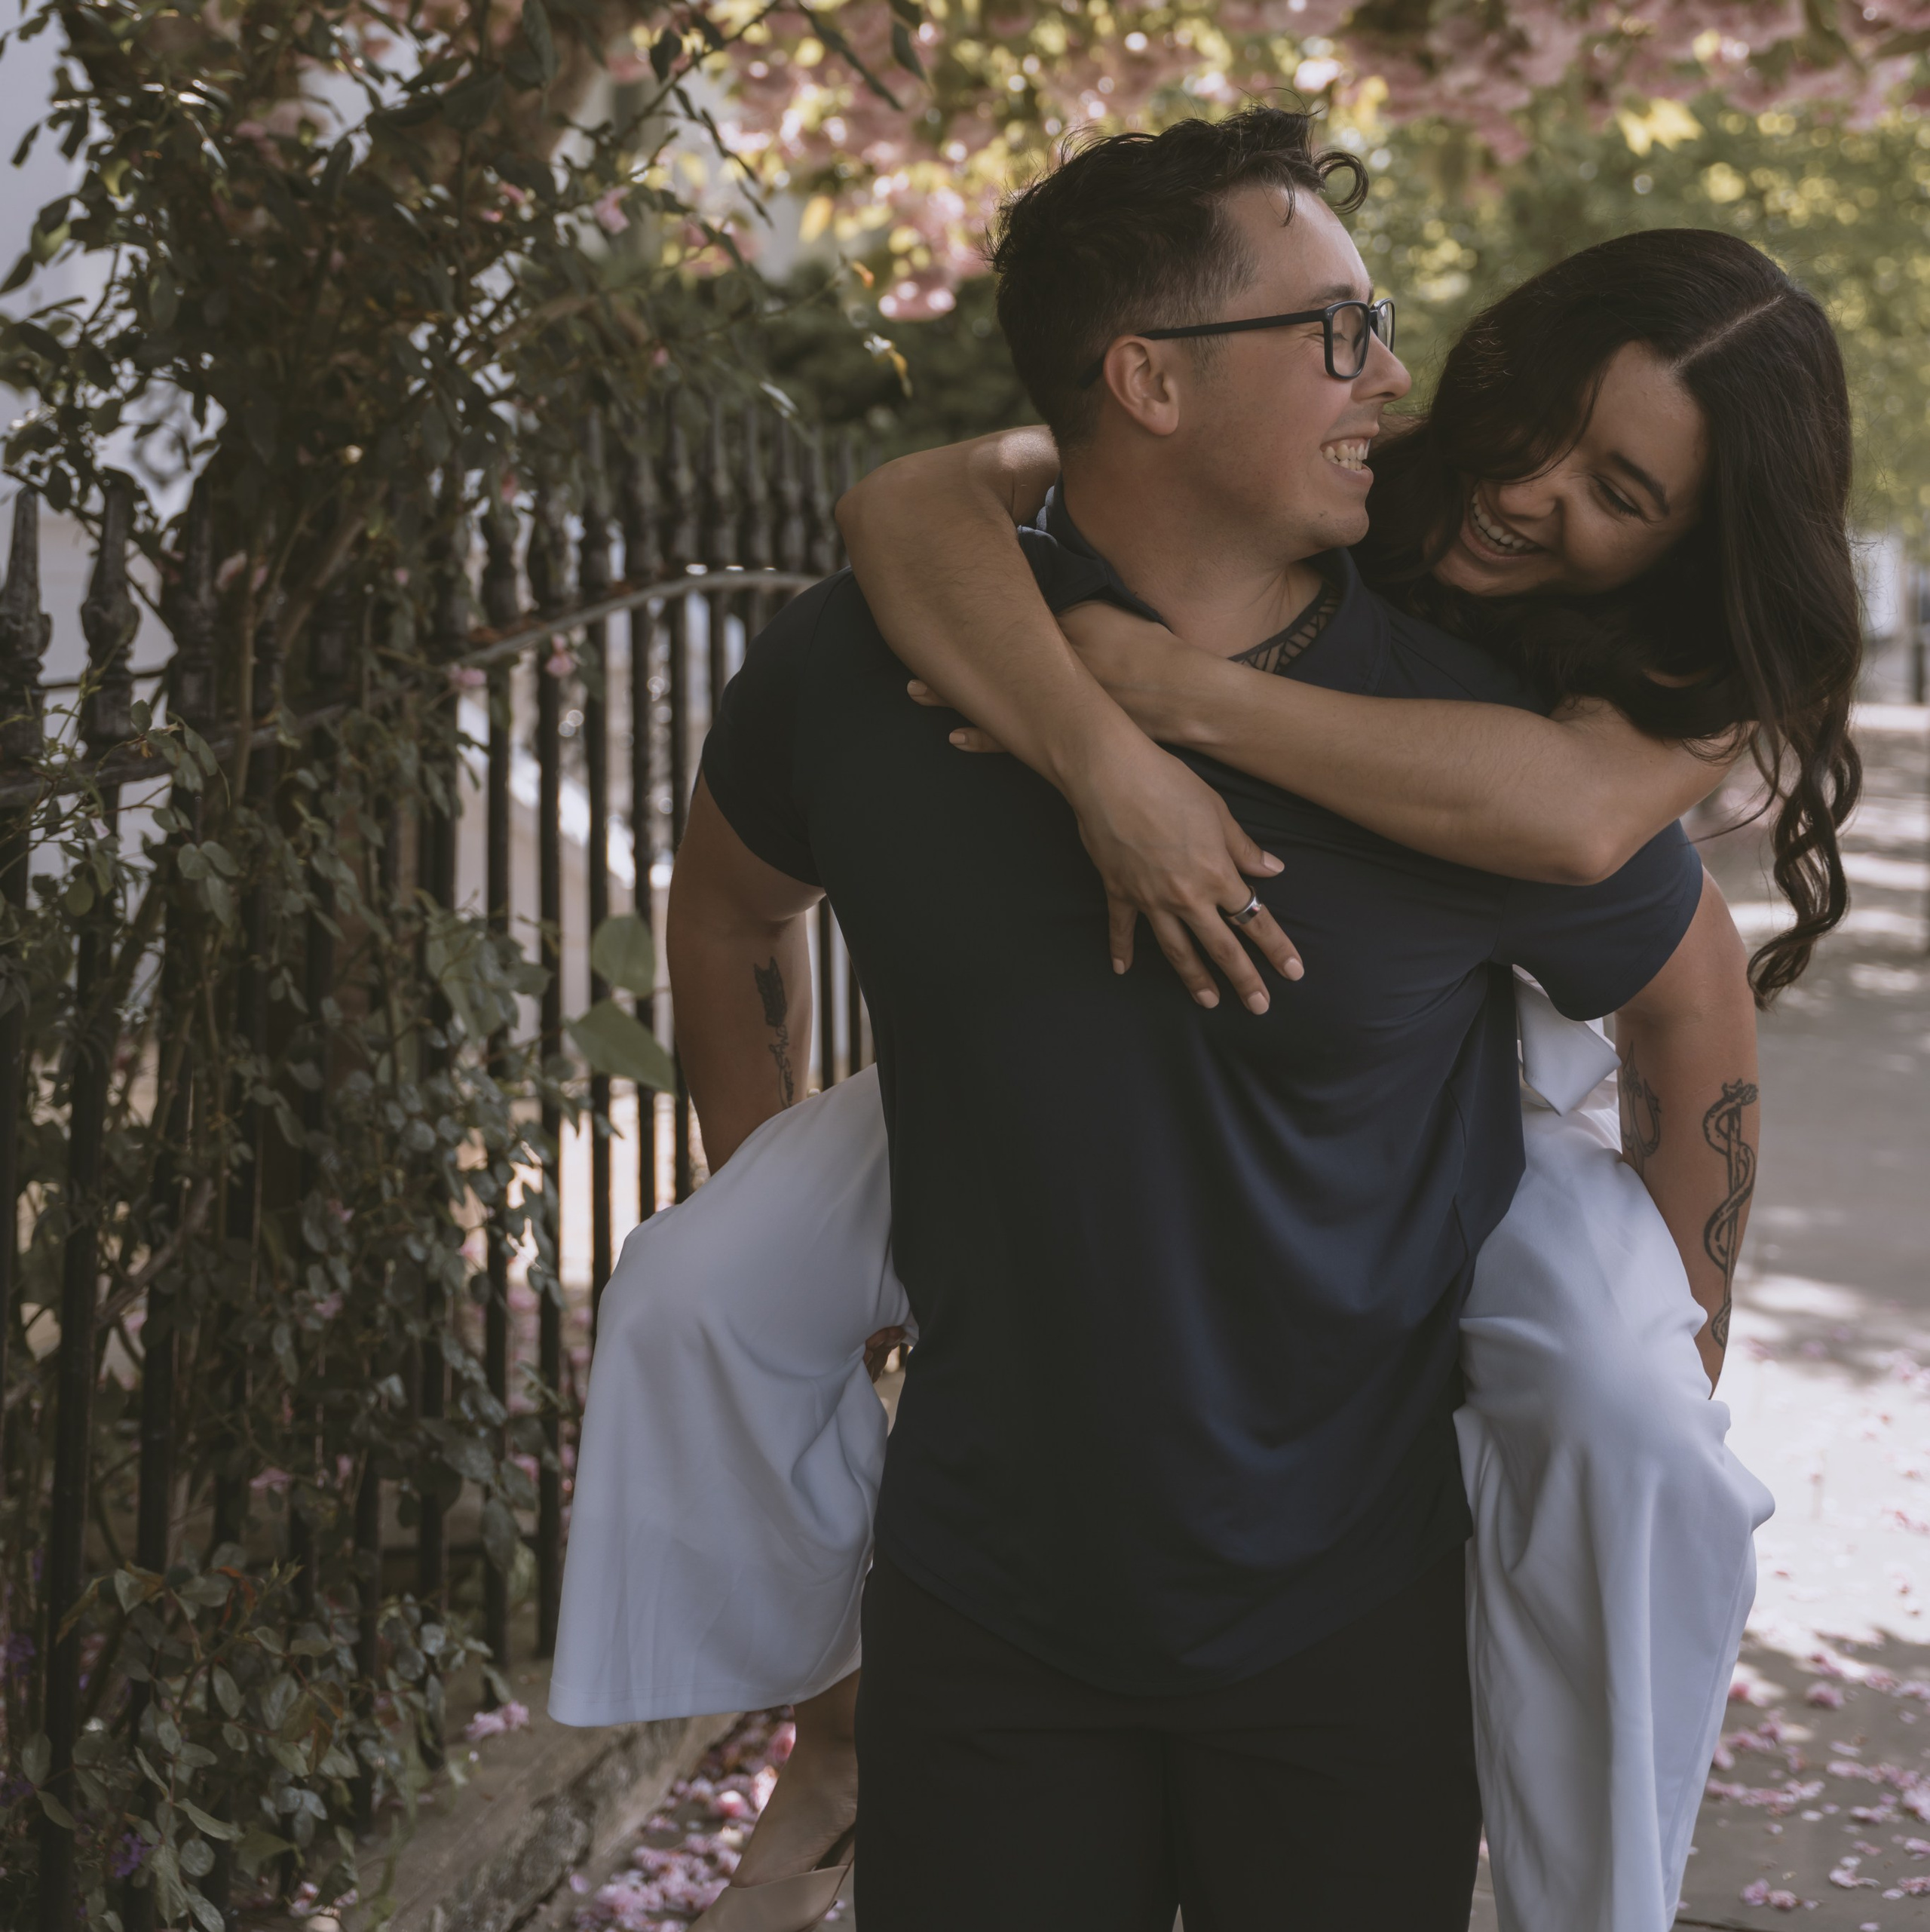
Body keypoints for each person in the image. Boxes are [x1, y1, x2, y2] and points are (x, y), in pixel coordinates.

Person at [553, 110, 1796, 1930]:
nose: (1382, 381)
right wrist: (835, 1251)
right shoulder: (875, 650)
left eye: (1623, 497)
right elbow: (738, 892)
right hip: (978, 1605)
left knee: (1621, 1422)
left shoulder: (1502, 734)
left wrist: (1663, 1363)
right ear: (1142, 378)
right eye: (1336, 330)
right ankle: (828, 1714)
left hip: (1344, 1623)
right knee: (689, 1286)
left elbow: (1689, 1014)